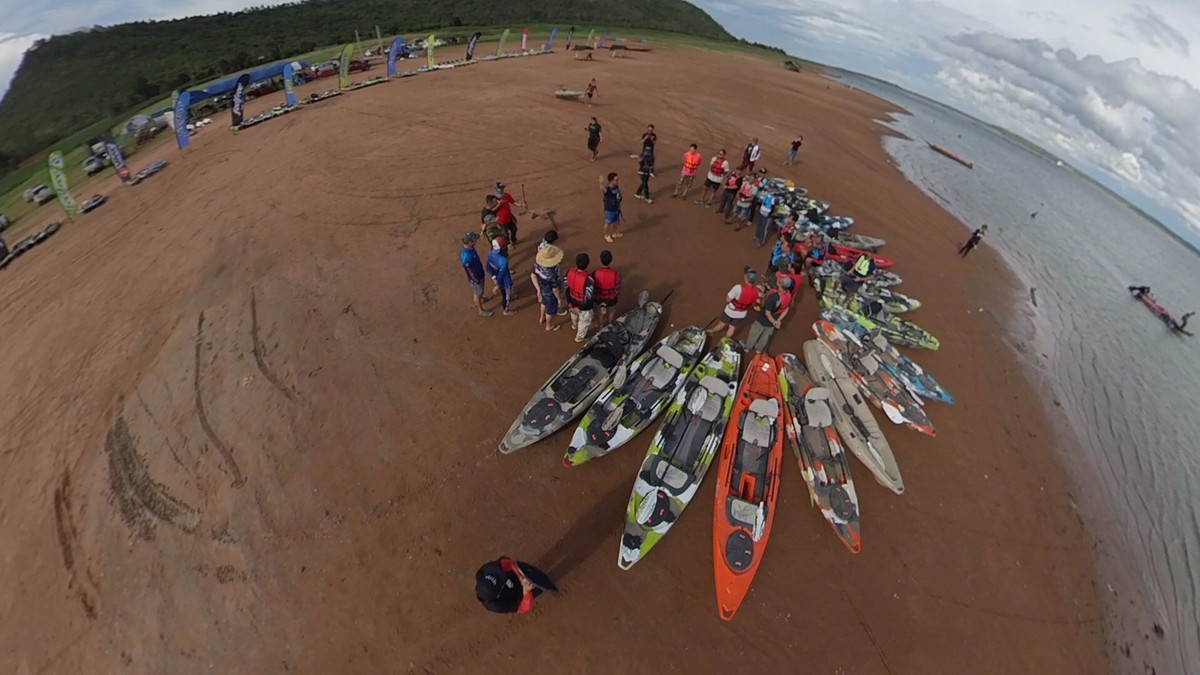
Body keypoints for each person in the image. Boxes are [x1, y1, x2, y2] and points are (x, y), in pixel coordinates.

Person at [475, 557, 556, 614]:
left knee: (528, 570)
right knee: (539, 586)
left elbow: (509, 563)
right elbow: (523, 608)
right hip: (520, 592)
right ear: (499, 593)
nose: (499, 572)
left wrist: (520, 576)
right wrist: (526, 591)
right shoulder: (496, 605)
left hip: (515, 575)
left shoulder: (485, 571)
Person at [745, 276, 794, 354]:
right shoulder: (788, 295)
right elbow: (786, 309)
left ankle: (747, 347)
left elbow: (767, 312)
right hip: (775, 317)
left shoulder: (774, 297)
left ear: (780, 284)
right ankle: (759, 349)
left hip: (763, 318)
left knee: (754, 333)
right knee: (765, 336)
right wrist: (777, 321)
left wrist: (774, 322)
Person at [707, 267, 760, 339]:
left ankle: (711, 331)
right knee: (732, 328)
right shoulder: (757, 291)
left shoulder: (738, 288)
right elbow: (753, 303)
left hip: (730, 311)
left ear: (746, 278)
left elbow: (727, 299)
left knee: (722, 324)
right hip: (741, 314)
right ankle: (724, 340)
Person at [531, 244, 565, 331]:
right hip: (550, 294)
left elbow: (533, 276)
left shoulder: (537, 265)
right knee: (550, 311)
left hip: (543, 289)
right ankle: (548, 326)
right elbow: (555, 289)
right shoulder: (552, 275)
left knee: (543, 303)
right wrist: (559, 299)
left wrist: (538, 290)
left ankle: (541, 318)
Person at [460, 231, 493, 317]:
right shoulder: (465, 256)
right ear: (470, 242)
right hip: (475, 278)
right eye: (474, 239)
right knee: (477, 293)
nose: (476, 240)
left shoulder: (471, 248)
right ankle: (480, 310)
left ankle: (482, 298)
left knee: (481, 290)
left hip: (479, 273)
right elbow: (469, 271)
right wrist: (475, 279)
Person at [565, 253, 597, 342]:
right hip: (583, 306)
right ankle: (579, 337)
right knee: (584, 322)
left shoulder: (569, 273)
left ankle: (574, 325)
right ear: (587, 264)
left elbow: (566, 287)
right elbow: (589, 296)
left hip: (571, 300)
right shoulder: (589, 280)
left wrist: (569, 301)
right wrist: (583, 306)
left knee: (574, 315)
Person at [486, 237, 516, 316]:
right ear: (502, 246)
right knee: (506, 296)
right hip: (505, 281)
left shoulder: (489, 255)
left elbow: (488, 267)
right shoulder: (503, 261)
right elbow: (501, 274)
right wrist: (498, 284)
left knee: (505, 293)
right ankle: (506, 310)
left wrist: (494, 278)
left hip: (496, 277)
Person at [593, 250, 622, 328]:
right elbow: (617, 290)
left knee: (600, 313)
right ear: (611, 260)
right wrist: (608, 301)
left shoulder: (595, 273)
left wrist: (600, 301)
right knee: (612, 311)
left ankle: (601, 326)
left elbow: (593, 287)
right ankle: (610, 323)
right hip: (611, 299)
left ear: (600, 260)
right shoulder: (616, 275)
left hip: (599, 298)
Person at [493, 182, 524, 248]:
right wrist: (499, 204)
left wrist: (521, 205)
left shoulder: (506, 195)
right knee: (505, 233)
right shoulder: (494, 199)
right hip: (501, 220)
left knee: (514, 229)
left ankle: (513, 240)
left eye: (502, 188)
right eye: (500, 188)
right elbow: (492, 209)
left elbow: (513, 202)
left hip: (508, 217)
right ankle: (508, 244)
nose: (502, 189)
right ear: (496, 189)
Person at [600, 172, 623, 243]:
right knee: (608, 222)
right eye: (616, 180)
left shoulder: (616, 187)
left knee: (615, 221)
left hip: (616, 208)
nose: (617, 181)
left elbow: (618, 195)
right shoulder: (608, 189)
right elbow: (602, 189)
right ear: (611, 180)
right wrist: (601, 183)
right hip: (610, 209)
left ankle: (615, 233)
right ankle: (606, 235)